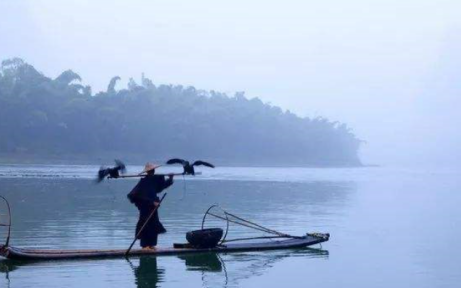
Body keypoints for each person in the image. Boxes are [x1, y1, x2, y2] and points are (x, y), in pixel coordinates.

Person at [127, 163, 174, 250]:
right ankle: (145, 246)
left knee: (153, 225)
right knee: (145, 225)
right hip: (145, 207)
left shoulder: (154, 180)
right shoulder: (143, 182)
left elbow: (161, 186)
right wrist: (151, 202)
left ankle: (151, 244)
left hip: (153, 207)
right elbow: (138, 196)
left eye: (153, 170)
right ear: (148, 172)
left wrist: (170, 178)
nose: (153, 171)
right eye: (151, 170)